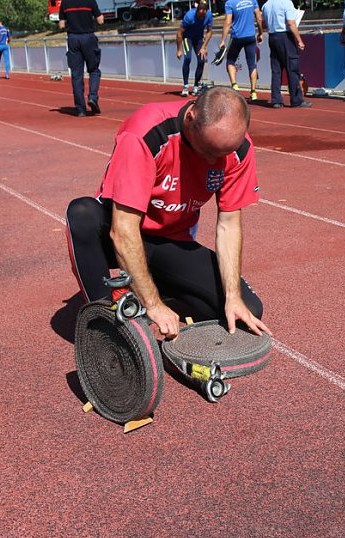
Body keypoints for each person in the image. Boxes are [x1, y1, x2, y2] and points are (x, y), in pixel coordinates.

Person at [65, 87, 269, 338]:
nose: (212, 162)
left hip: (169, 240)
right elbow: (123, 229)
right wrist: (153, 305)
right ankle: (102, 315)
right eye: (207, 150)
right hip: (118, 234)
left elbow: (229, 224)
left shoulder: (238, 149)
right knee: (82, 213)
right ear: (191, 117)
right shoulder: (147, 132)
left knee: (248, 311)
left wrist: (233, 296)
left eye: (221, 155)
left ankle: (150, 285)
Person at [59, 0, 104, 117]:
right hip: (88, 37)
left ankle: (80, 109)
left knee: (76, 75)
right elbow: (100, 20)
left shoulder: (65, 3)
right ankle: (93, 97)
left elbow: (61, 25)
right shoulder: (90, 1)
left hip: (73, 38)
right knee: (94, 70)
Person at [262, 0, 311, 108]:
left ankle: (276, 99)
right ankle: (296, 100)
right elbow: (291, 23)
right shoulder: (286, 2)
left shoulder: (266, 5)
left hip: (272, 36)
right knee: (292, 68)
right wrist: (299, 40)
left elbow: (264, 23)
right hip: (285, 36)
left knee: (276, 70)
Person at [218, 0, 264, 101]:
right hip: (250, 37)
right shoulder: (253, 0)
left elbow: (228, 22)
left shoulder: (230, 3)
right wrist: (261, 32)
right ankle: (253, 92)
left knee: (230, 61)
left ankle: (234, 85)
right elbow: (259, 17)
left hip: (237, 37)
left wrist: (223, 40)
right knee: (252, 64)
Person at [176, 1, 214, 97]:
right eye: (200, 15)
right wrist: (179, 49)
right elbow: (179, 33)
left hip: (198, 38)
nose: (201, 17)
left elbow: (209, 32)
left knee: (201, 60)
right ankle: (185, 87)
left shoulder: (209, 15)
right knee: (188, 58)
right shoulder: (189, 16)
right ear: (197, 11)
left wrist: (204, 47)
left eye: (203, 15)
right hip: (187, 38)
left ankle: (196, 87)